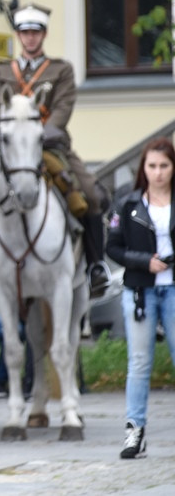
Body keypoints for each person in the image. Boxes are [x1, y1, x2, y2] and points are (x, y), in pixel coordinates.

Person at [0, 4, 111, 298]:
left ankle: (96, 266)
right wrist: (16, 133)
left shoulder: (61, 69)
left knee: (90, 193)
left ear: (44, 34)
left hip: (51, 145)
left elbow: (62, 110)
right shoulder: (2, 70)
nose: (30, 38)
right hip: (10, 148)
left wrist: (36, 134)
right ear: (18, 35)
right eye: (25, 32)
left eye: (35, 32)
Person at [105, 136, 175, 459]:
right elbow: (113, 246)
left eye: (164, 165)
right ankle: (135, 431)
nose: (158, 172)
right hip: (140, 291)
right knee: (139, 362)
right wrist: (144, 261)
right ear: (143, 168)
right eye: (152, 166)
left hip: (173, 288)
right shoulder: (128, 204)